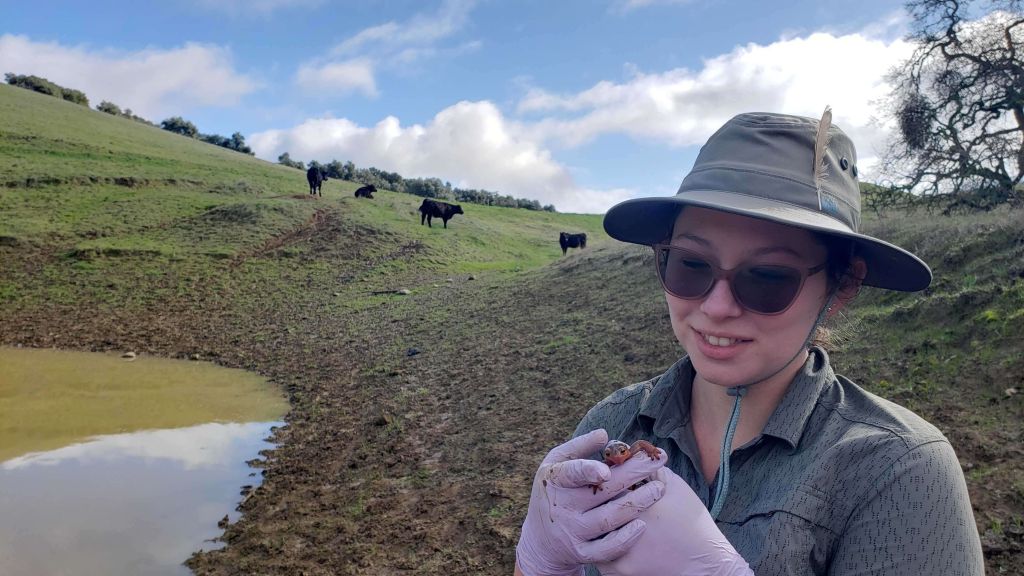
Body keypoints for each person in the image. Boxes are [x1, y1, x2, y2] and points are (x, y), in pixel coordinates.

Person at [514, 109, 985, 575]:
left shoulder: (897, 470)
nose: (717, 307)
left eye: (766, 277)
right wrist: (538, 563)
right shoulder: (611, 426)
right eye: (690, 264)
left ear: (842, 285)